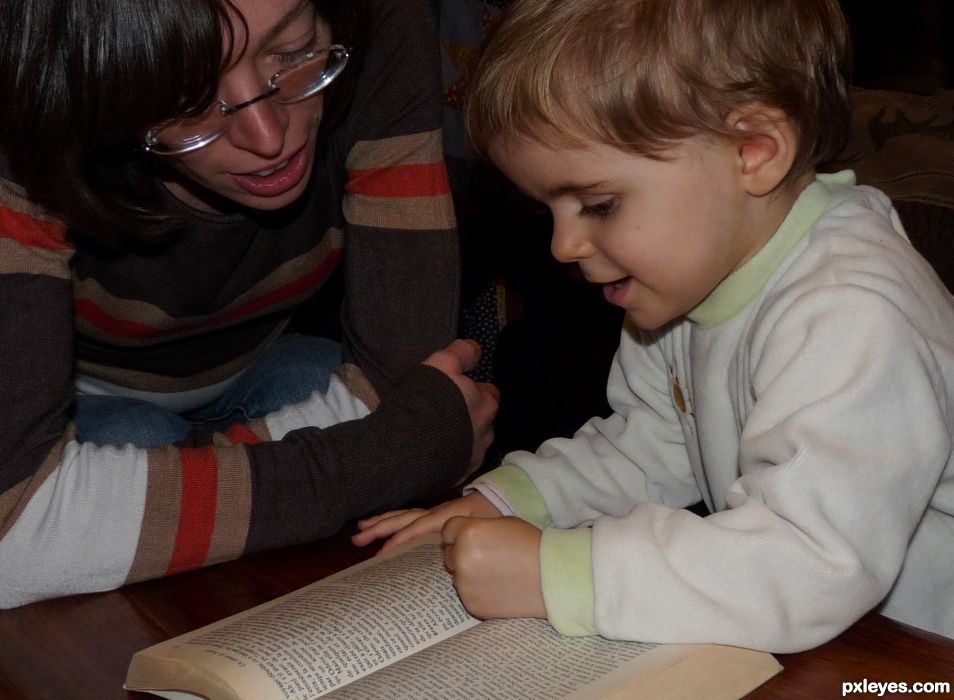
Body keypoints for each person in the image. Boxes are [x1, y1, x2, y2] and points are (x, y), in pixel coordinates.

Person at [355, 0, 954, 651]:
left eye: (598, 204)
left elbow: (810, 564)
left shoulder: (852, 315)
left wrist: (562, 574)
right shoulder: (683, 282)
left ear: (753, 152)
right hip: (828, 640)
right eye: (548, 209)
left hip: (916, 653)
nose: (563, 246)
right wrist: (509, 502)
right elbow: (648, 447)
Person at [0, 0, 498, 608]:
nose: (268, 137)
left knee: (309, 378)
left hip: (264, 363)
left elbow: (407, 381)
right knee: (136, 432)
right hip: (89, 397)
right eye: (184, 103)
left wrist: (108, 503)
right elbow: (12, 533)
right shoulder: (27, 75)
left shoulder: (382, 19)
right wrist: (388, 453)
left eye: (292, 53)